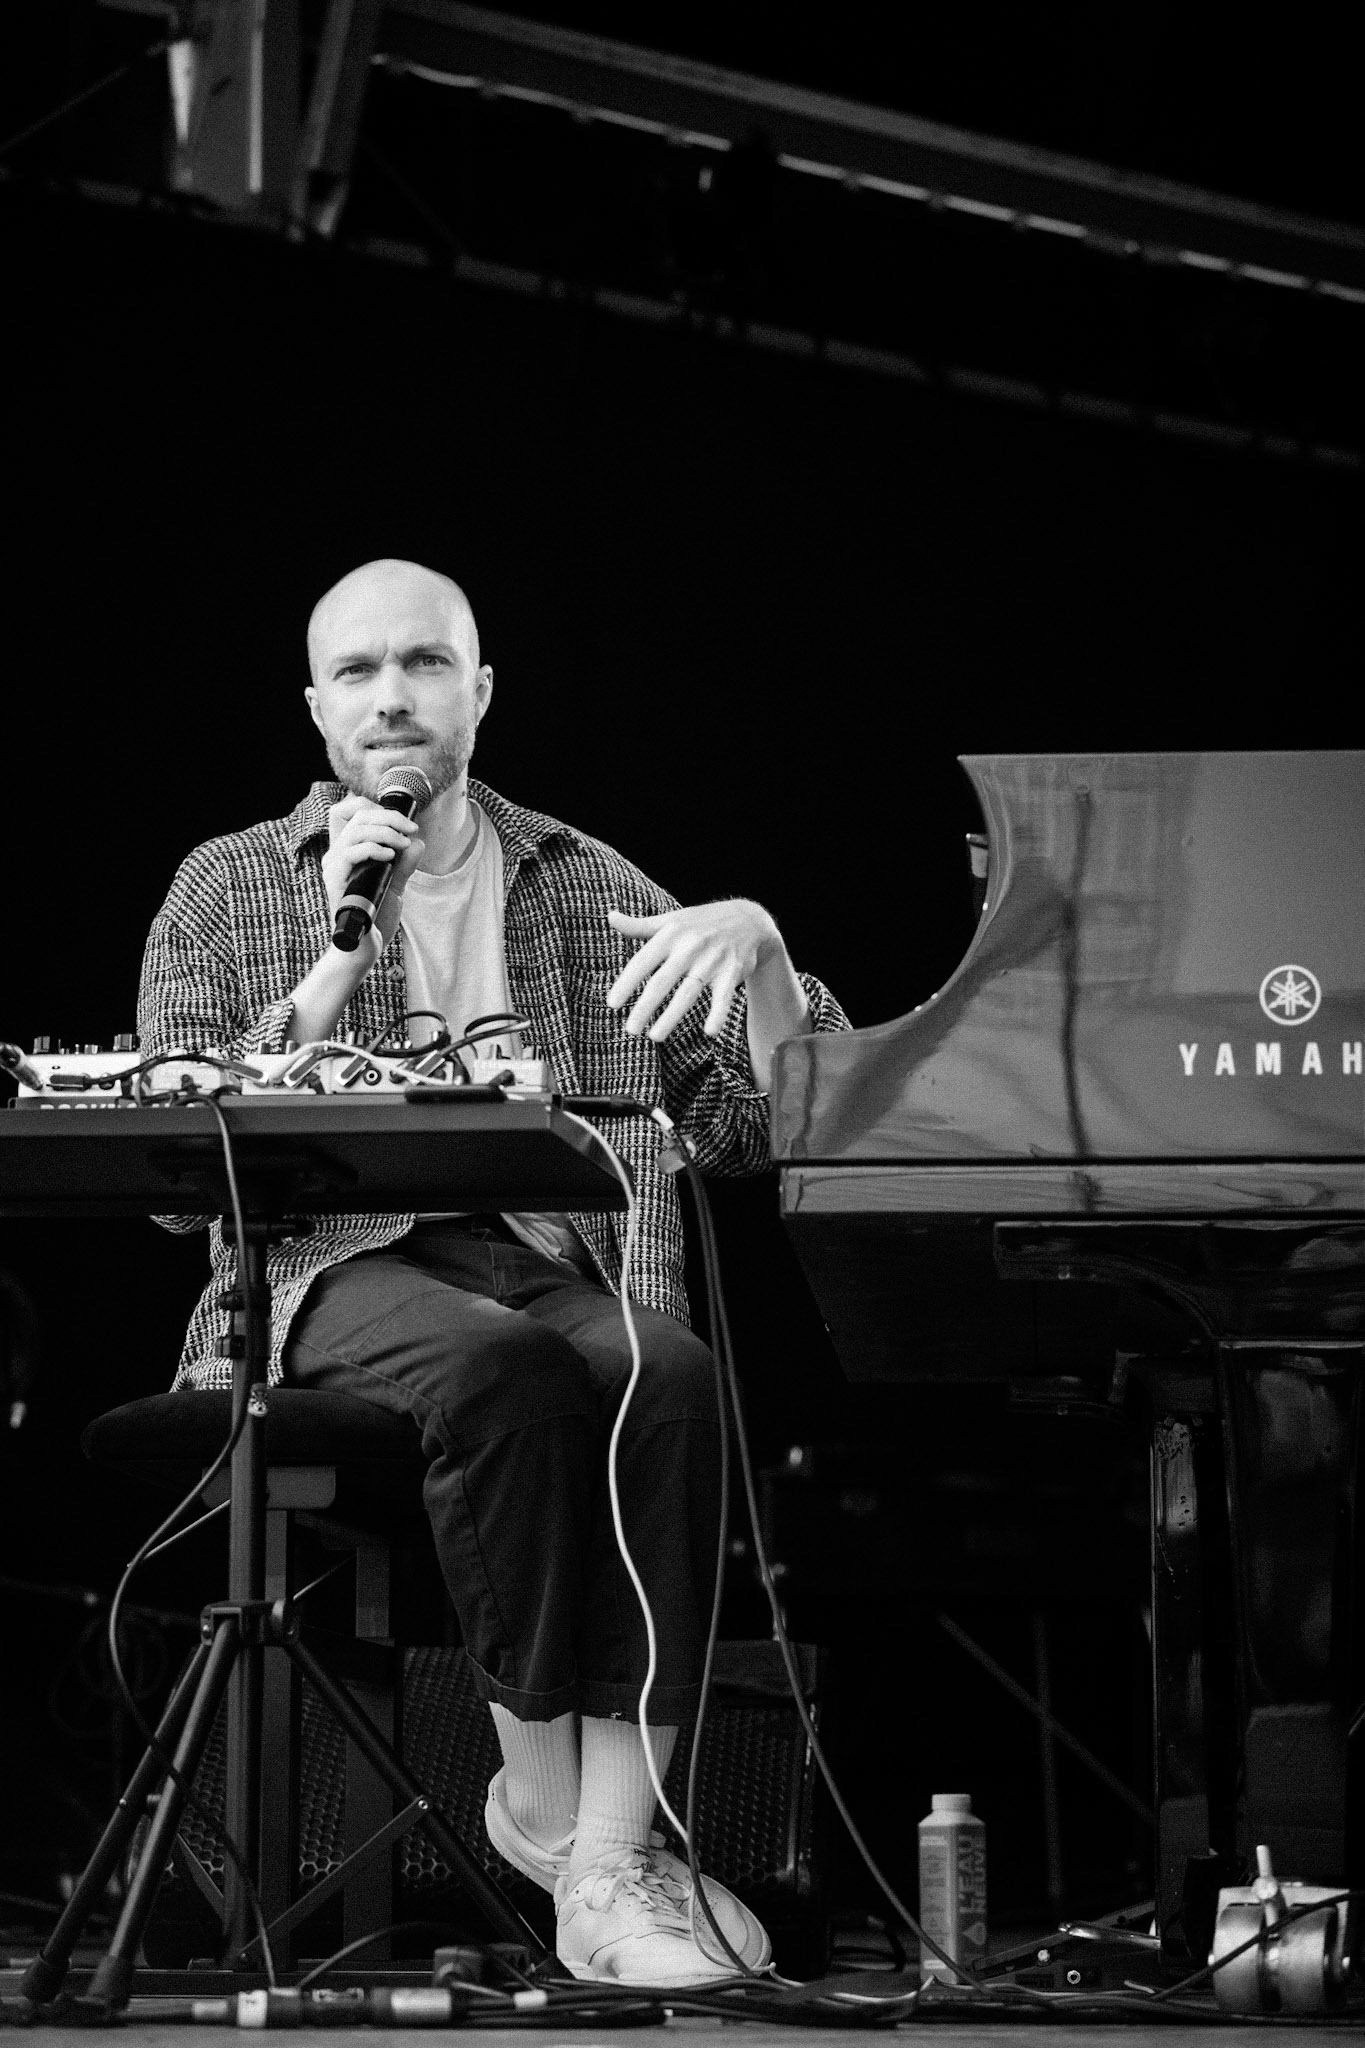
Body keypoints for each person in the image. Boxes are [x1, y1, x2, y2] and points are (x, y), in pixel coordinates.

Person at [138, 558, 849, 1984]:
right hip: (332, 1270)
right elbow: (179, 1145)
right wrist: (340, 949)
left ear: (480, 690)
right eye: (357, 671)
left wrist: (761, 951)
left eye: (422, 662)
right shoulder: (228, 883)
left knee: (669, 1372)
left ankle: (608, 1858)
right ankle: (544, 1817)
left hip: (549, 1256)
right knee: (507, 1375)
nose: (391, 695)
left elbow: (781, 1123)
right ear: (316, 708)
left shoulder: (585, 885)